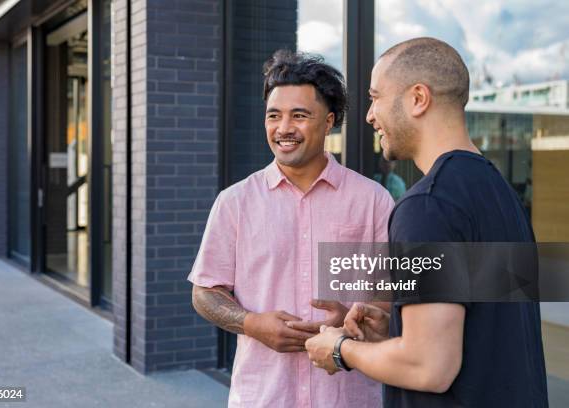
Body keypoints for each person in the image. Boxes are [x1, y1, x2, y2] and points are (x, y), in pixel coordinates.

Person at [305, 37, 548, 407]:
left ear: (418, 99)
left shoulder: (427, 207)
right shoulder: (502, 195)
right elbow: (486, 327)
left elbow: (429, 368)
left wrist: (339, 349)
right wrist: (399, 326)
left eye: (375, 97)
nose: (370, 115)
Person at [188, 50, 394, 407]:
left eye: (299, 116)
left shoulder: (373, 200)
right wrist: (251, 323)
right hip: (263, 397)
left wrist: (352, 322)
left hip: (347, 398)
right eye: (274, 116)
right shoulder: (234, 201)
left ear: (329, 122)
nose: (284, 128)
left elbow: (392, 299)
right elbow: (205, 292)